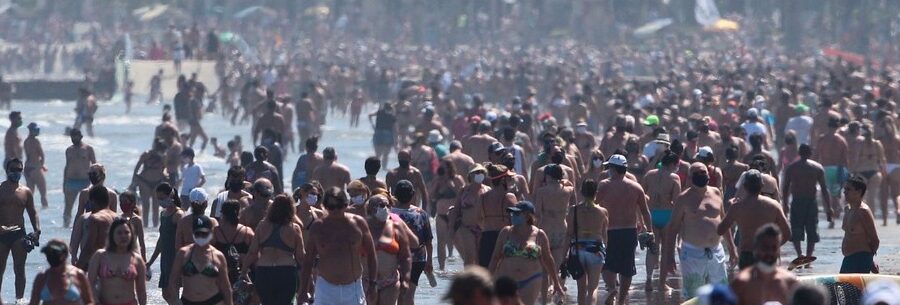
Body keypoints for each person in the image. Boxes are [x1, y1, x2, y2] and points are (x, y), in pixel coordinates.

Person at [663, 163, 738, 300]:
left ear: (708, 175)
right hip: (692, 253)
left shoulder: (716, 192)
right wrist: (669, 257)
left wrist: (732, 248)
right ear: (690, 178)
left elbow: (724, 222)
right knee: (694, 295)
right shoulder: (683, 198)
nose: (700, 176)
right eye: (696, 174)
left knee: (720, 294)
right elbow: (673, 228)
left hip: (716, 251)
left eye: (703, 172)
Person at [299, 187, 377, 305]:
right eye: (331, 207)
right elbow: (308, 260)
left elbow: (371, 254)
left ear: (346, 205)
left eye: (339, 206)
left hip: (353, 287)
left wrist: (373, 283)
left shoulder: (358, 224)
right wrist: (303, 291)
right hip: (325, 288)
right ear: (325, 206)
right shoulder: (318, 227)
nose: (335, 210)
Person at [596, 154, 651, 305]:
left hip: (609, 231)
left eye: (609, 168)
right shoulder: (635, 187)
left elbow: (593, 205)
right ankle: (621, 300)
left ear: (613, 169)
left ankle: (612, 288)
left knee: (606, 264)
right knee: (627, 267)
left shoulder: (604, 185)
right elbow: (645, 212)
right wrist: (649, 231)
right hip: (629, 231)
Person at [487, 201, 564, 305]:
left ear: (528, 216)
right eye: (512, 213)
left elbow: (548, 259)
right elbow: (495, 258)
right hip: (505, 280)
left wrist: (556, 283)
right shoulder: (506, 232)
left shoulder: (539, 235)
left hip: (530, 280)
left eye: (517, 214)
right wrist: (486, 280)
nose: (513, 216)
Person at [718, 170, 791, 269]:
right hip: (767, 253)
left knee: (748, 283)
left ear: (744, 186)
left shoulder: (737, 207)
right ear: (762, 185)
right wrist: (773, 247)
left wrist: (732, 249)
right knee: (768, 283)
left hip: (746, 254)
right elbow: (787, 233)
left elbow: (720, 230)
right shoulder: (774, 205)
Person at [242, 195, 305, 305]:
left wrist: (243, 272)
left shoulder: (262, 226)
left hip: (264, 271)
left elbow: (252, 252)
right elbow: (300, 256)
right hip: (286, 272)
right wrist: (308, 275)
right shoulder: (294, 228)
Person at [167, 215, 233, 305]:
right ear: (193, 234)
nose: (201, 237)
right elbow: (173, 281)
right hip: (188, 301)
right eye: (198, 234)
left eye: (204, 233)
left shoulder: (218, 256)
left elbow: (226, 288)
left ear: (211, 232)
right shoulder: (183, 254)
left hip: (213, 301)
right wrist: (175, 300)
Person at [782, 144, 832, 261]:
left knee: (796, 230)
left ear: (799, 153)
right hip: (811, 201)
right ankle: (808, 256)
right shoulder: (817, 167)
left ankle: (800, 255)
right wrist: (829, 207)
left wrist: (785, 204)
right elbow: (824, 189)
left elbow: (785, 188)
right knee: (812, 230)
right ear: (810, 153)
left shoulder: (792, 167)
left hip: (797, 201)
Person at [640, 151, 681, 292]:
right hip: (667, 215)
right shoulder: (674, 178)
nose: (677, 167)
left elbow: (642, 196)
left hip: (651, 214)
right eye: (677, 164)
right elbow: (677, 202)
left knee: (652, 249)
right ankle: (661, 284)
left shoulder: (649, 175)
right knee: (665, 250)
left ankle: (649, 279)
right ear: (671, 164)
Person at [0, 158, 40, 300]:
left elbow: (32, 212)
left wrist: (37, 230)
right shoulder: (1, 189)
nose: (16, 172)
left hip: (18, 234)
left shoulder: (26, 192)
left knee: (19, 269)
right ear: (7, 170)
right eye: (13, 169)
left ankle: (19, 300)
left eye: (19, 170)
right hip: (2, 234)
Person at [729, 224, 798, 305]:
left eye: (774, 248)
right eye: (765, 247)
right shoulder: (742, 282)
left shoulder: (789, 282)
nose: (769, 252)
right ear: (755, 248)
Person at [363, 194, 412, 305]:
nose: (385, 208)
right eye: (381, 205)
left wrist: (406, 279)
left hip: (390, 281)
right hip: (367, 280)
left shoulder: (396, 226)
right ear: (370, 208)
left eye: (388, 205)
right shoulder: (362, 226)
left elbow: (406, 256)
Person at [390, 180, 434, 305]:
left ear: (394, 194)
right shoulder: (421, 213)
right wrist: (429, 261)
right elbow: (428, 241)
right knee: (410, 294)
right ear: (413, 194)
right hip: (418, 259)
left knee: (397, 294)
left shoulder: (390, 213)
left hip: (395, 258)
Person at [87, 217, 148, 305]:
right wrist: (96, 302)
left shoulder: (137, 259)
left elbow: (141, 291)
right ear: (112, 235)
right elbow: (90, 284)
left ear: (131, 235)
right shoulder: (100, 256)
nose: (123, 236)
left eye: (126, 233)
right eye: (119, 233)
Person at [566, 179, 608, 305]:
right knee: (592, 289)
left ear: (581, 192)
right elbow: (605, 235)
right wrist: (606, 253)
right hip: (595, 250)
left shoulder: (574, 210)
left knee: (581, 289)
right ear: (596, 192)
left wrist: (563, 257)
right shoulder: (602, 211)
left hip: (578, 250)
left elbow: (569, 235)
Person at [532, 163, 575, 279]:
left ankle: (545, 296)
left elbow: (537, 213)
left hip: (545, 229)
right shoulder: (569, 190)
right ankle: (557, 292)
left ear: (548, 176)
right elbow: (573, 207)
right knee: (558, 265)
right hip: (561, 229)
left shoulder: (542, 191)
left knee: (544, 267)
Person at [145, 183, 183, 303]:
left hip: (176, 257)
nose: (160, 201)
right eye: (158, 199)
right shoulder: (163, 214)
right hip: (165, 259)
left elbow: (184, 238)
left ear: (170, 195)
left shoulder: (178, 215)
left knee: (173, 291)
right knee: (166, 294)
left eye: (162, 198)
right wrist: (150, 262)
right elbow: (161, 241)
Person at [27, 240, 94, 305]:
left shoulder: (78, 275)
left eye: (54, 254)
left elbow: (89, 301)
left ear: (64, 255)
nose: (51, 257)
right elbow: (33, 303)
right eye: (49, 254)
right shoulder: (42, 277)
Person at [429, 159, 465, 270]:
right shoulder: (438, 180)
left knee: (459, 243)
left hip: (455, 215)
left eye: (445, 167)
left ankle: (467, 266)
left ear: (450, 168)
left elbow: (464, 194)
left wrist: (452, 186)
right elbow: (431, 196)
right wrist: (439, 184)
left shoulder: (457, 179)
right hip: (441, 215)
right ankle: (441, 268)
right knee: (441, 243)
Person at [479, 164, 517, 267]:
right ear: (503, 180)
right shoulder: (509, 197)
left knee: (487, 277)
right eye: (509, 177)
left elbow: (478, 220)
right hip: (504, 238)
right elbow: (517, 221)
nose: (511, 179)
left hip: (486, 239)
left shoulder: (482, 197)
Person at [840, 175, 880, 273]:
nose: (844, 192)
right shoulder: (847, 209)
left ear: (858, 192)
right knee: (840, 287)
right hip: (848, 258)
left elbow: (875, 240)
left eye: (848, 189)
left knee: (847, 288)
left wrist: (869, 260)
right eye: (844, 189)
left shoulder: (863, 211)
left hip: (861, 258)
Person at [453, 164, 490, 266]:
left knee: (480, 258)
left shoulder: (488, 190)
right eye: (477, 172)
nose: (479, 174)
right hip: (467, 227)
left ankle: (480, 280)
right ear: (471, 175)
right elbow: (456, 210)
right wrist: (451, 229)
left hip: (483, 228)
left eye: (481, 172)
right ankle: (468, 280)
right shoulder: (464, 190)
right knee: (469, 258)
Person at [814, 116, 849, 223]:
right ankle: (836, 212)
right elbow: (845, 158)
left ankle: (829, 213)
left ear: (828, 126)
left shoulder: (822, 139)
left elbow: (816, 155)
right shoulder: (841, 140)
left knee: (825, 193)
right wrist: (847, 172)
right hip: (838, 169)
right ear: (837, 127)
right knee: (836, 194)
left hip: (825, 169)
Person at [852, 124, 888, 225]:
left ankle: (861, 219)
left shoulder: (859, 143)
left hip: (861, 172)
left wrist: (853, 171)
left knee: (860, 198)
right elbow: (883, 159)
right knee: (871, 198)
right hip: (874, 172)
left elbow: (855, 159)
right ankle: (870, 219)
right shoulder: (877, 143)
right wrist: (884, 172)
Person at [212, 199, 254, 285]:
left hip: (221, 278)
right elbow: (256, 255)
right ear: (239, 212)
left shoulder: (215, 232)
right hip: (243, 278)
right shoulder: (247, 232)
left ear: (223, 214)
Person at [75, 186, 118, 270]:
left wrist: (77, 269)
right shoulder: (118, 218)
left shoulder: (96, 218)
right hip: (117, 263)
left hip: (101, 265)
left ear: (92, 201)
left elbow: (89, 246)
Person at [132, 138, 168, 227]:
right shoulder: (146, 154)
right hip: (145, 182)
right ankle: (145, 227)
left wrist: (166, 174)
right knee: (146, 205)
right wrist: (134, 181)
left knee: (156, 206)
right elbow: (137, 168)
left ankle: (155, 228)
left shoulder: (163, 156)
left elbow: (165, 168)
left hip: (158, 182)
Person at [63, 129, 96, 227]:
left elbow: (94, 165)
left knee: (88, 206)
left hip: (85, 181)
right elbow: (67, 166)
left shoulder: (88, 149)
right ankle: (66, 226)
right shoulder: (69, 150)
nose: (73, 138)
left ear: (81, 136)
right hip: (70, 181)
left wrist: (96, 183)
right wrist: (64, 183)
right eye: (72, 136)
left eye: (76, 136)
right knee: (68, 206)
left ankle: (87, 225)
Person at [23, 123, 47, 209]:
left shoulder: (26, 141)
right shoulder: (36, 141)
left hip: (27, 169)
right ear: (31, 131)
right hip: (35, 169)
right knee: (43, 193)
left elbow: (31, 155)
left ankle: (26, 211)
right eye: (36, 130)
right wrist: (41, 165)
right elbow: (41, 156)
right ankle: (45, 211)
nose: (38, 132)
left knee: (30, 193)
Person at [119, 191, 147, 261]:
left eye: (125, 201)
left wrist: (144, 259)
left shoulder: (137, 220)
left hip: (133, 253)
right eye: (121, 201)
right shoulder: (117, 219)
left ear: (133, 203)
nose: (123, 204)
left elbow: (141, 243)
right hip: (119, 253)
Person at [370, 103, 398, 167]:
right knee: (386, 154)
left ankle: (375, 169)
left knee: (378, 155)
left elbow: (370, 115)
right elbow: (395, 129)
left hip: (378, 133)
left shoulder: (379, 112)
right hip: (388, 134)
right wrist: (396, 141)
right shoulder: (392, 116)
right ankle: (384, 168)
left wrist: (372, 125)